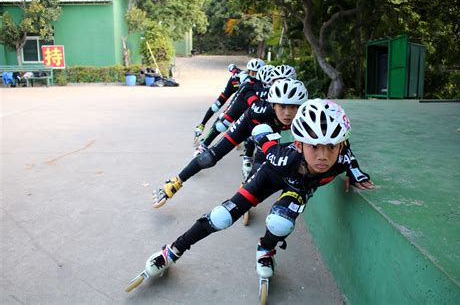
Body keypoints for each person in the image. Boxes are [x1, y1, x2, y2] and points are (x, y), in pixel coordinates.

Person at [139, 98, 375, 284]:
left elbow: (349, 158)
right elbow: (265, 140)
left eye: (331, 146)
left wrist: (356, 175)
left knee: (281, 223)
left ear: (341, 144)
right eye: (315, 147)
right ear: (299, 143)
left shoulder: (342, 158)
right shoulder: (281, 157)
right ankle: (173, 251)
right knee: (222, 216)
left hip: (300, 187)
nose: (324, 156)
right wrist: (261, 134)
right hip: (271, 174)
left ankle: (266, 249)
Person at [153, 78, 308, 208]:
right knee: (211, 157)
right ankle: (176, 182)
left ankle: (247, 186)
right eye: (282, 106)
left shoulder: (304, 116)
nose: (288, 113)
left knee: (263, 162)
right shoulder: (262, 107)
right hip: (248, 123)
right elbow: (247, 86)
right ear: (273, 104)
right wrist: (253, 101)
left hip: (269, 130)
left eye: (293, 107)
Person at [193, 63, 272, 157]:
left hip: (254, 106)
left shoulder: (274, 87)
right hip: (241, 100)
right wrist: (203, 124)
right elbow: (233, 68)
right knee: (222, 123)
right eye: (252, 72)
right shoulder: (244, 77)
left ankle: (248, 154)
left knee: (256, 127)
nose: (253, 75)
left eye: (255, 73)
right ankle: (204, 145)